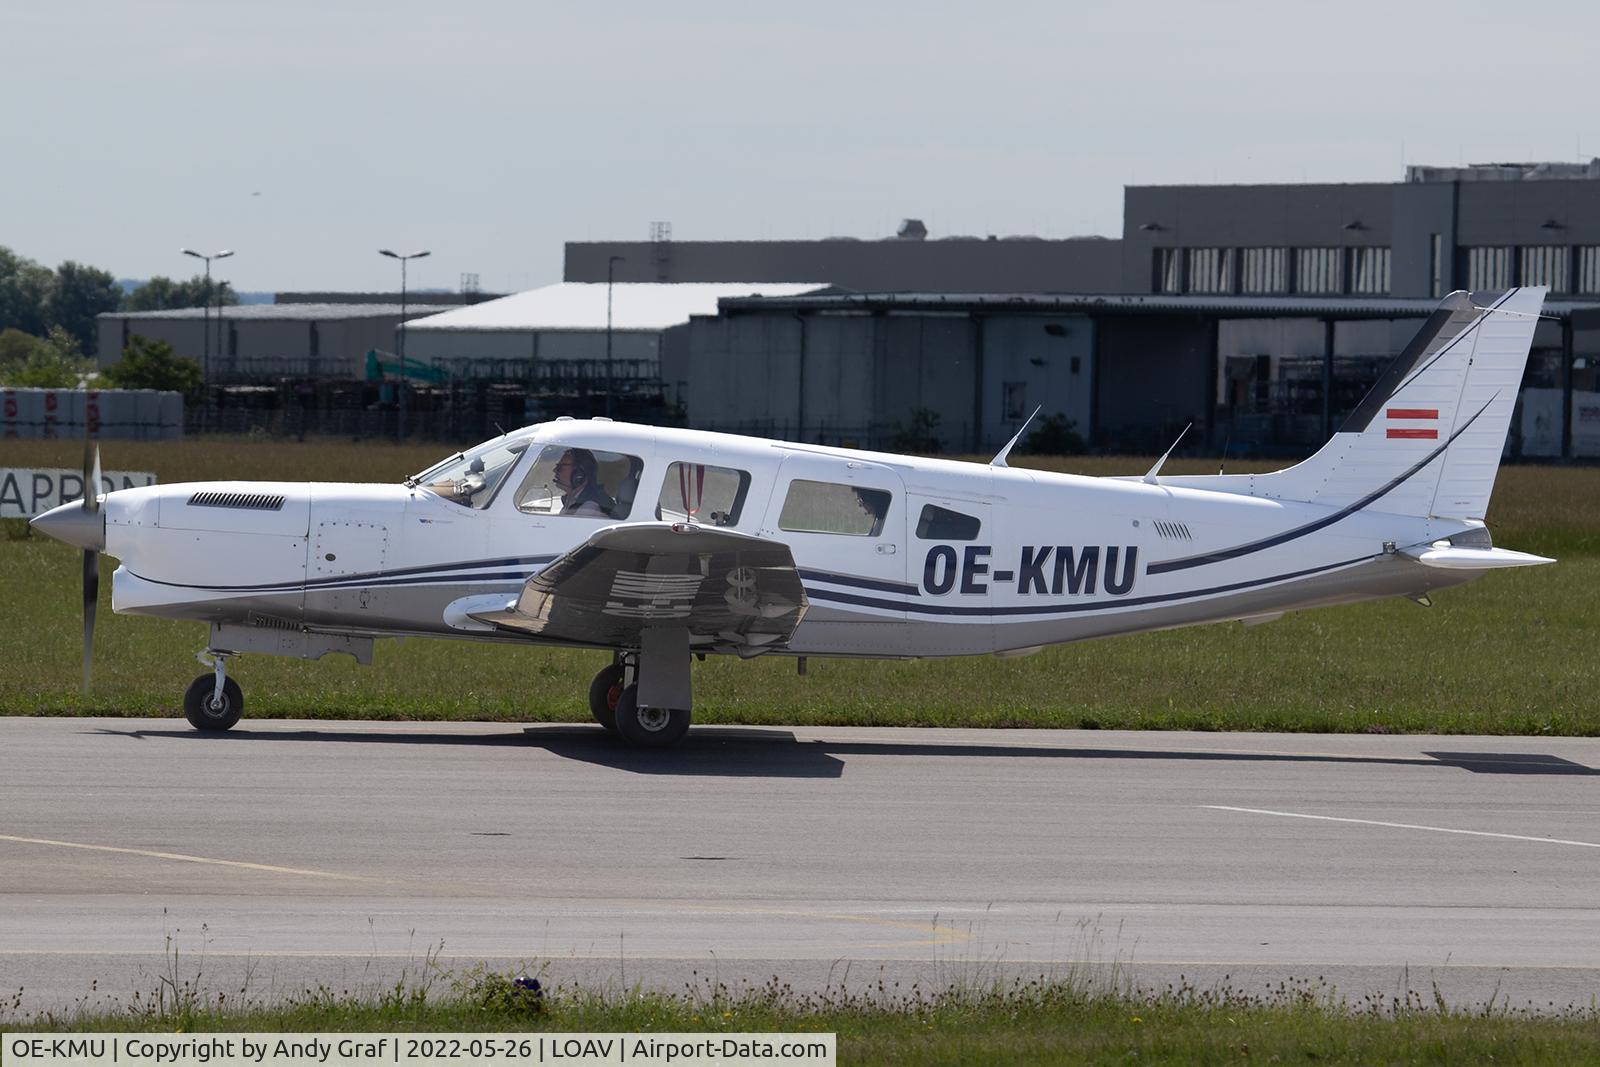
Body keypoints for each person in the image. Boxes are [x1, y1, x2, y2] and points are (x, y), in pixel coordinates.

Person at [552, 448, 615, 517]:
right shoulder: (573, 499)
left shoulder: (589, 507)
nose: (555, 470)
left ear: (578, 474)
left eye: (560, 467)